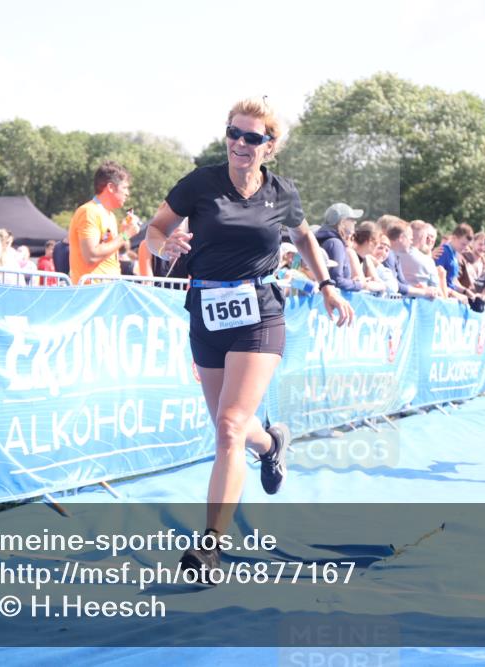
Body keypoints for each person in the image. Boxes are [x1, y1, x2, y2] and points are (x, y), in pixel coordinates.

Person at [144, 97, 354, 581]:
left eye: (252, 137)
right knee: (231, 429)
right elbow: (154, 230)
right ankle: (271, 443)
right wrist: (165, 244)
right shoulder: (200, 183)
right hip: (206, 312)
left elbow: (304, 239)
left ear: (270, 146)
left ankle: (209, 548)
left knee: (229, 427)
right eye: (234, 134)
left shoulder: (282, 193)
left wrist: (326, 286)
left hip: (260, 312)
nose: (240, 144)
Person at [68, 161, 141, 285]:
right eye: (125, 187)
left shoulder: (110, 215)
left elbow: (112, 249)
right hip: (92, 292)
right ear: (111, 187)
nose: (127, 193)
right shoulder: (89, 211)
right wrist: (125, 235)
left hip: (107, 290)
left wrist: (124, 232)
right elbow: (91, 256)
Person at [314, 202, 364, 292]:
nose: (355, 222)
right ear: (342, 222)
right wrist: (360, 285)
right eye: (352, 220)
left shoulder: (328, 241)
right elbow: (336, 281)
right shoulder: (335, 243)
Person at [435, 223, 476, 303]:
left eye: (467, 245)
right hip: (443, 298)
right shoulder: (443, 252)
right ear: (454, 238)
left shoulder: (455, 254)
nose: (465, 248)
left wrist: (465, 291)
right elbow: (437, 280)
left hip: (450, 295)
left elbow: (452, 281)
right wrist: (453, 294)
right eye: (463, 244)